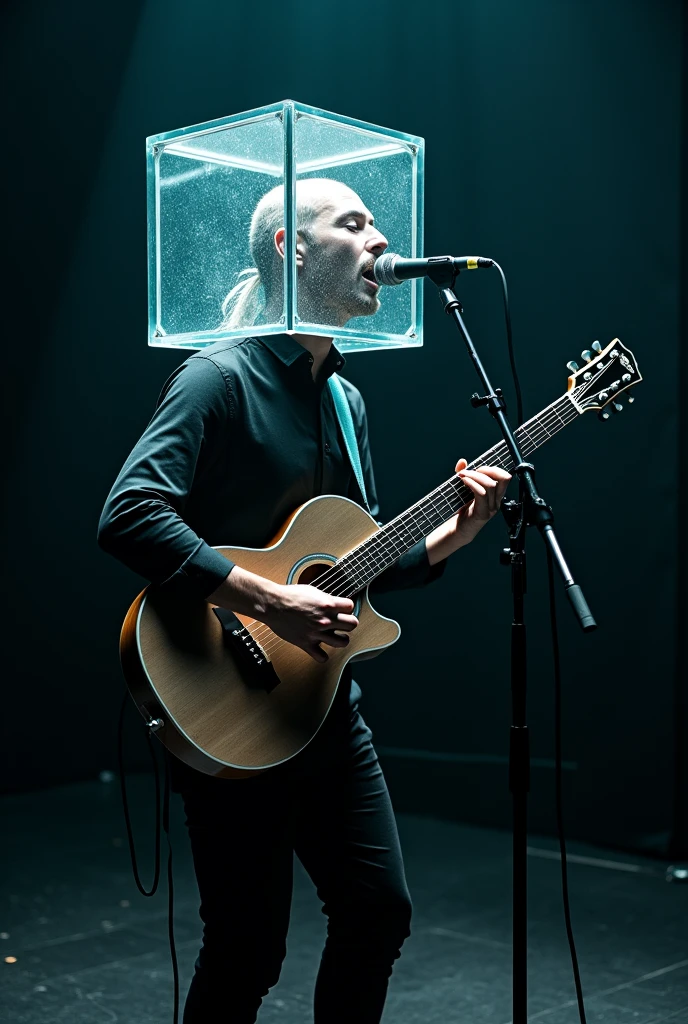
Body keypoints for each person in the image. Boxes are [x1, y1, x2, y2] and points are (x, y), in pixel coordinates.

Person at [98, 177, 511, 1023]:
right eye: (352, 224)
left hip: (322, 710)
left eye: (377, 223)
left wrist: (450, 539)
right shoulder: (217, 377)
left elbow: (344, 568)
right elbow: (128, 514)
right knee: (247, 949)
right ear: (290, 247)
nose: (378, 241)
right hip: (222, 698)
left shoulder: (347, 400)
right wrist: (267, 602)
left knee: (378, 913)